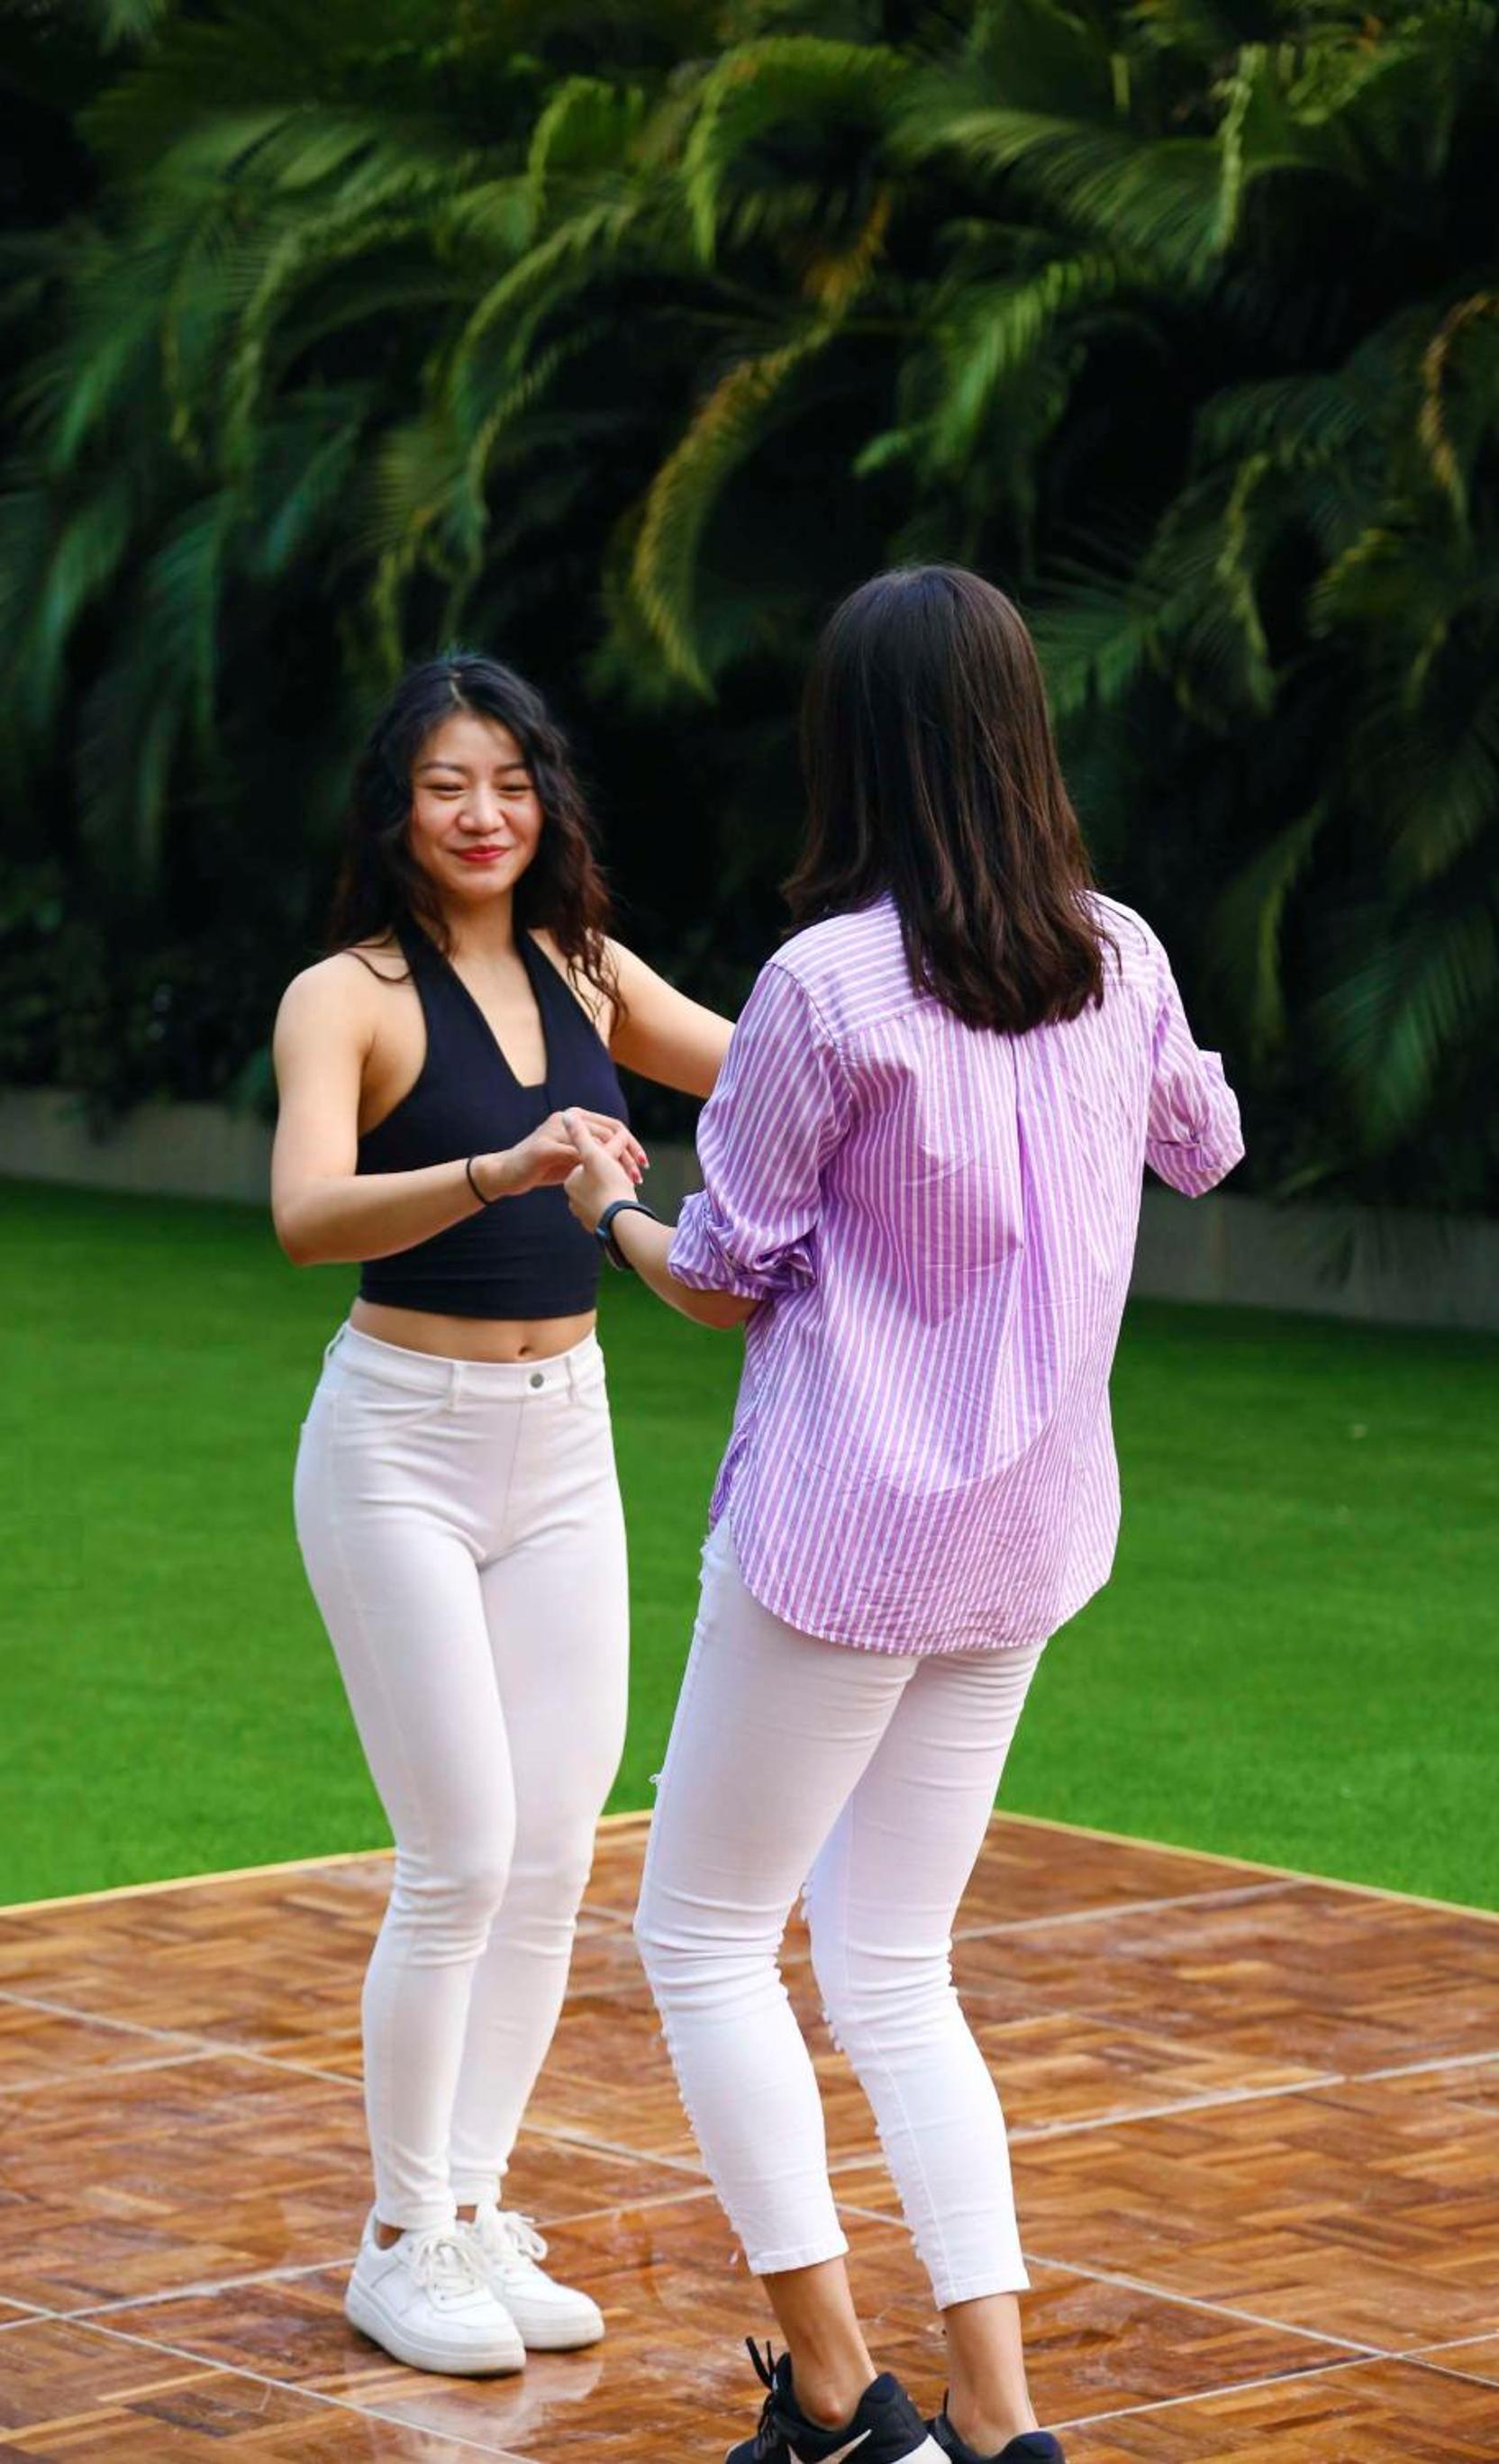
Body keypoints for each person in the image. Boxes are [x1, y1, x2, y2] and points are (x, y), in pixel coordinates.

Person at [562, 566, 1244, 2464]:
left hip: (839, 1546)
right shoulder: (1120, 954)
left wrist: (604, 1212)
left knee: (706, 1941)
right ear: (1024, 737)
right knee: (891, 1962)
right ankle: (1001, 2420)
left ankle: (840, 2397)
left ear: (852, 749)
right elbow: (1206, 1144)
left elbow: (722, 1276)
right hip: (1023, 1543)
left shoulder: (825, 986)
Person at [272, 653, 731, 2378]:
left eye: (512, 784)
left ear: (549, 802)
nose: (483, 815)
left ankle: (467, 2209)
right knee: (460, 1854)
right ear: (397, 807)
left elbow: (771, 1069)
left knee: (553, 1855)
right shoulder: (348, 996)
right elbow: (306, 1213)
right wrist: (503, 1168)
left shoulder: (588, 967)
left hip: (567, 1441)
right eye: (448, 784)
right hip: (397, 1442)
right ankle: (399, 2241)